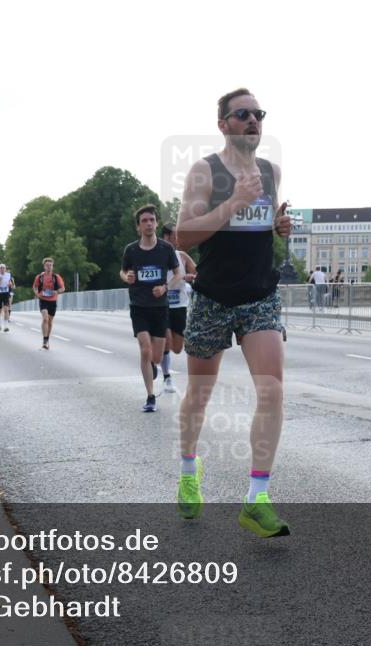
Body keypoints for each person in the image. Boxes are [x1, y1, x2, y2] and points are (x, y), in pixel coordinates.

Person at [175, 87, 292, 538]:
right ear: (223, 123)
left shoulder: (271, 171)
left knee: (273, 388)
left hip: (259, 295)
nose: (253, 121)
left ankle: (257, 498)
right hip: (213, 297)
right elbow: (183, 236)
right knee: (198, 396)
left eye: (258, 114)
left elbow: (263, 225)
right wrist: (233, 204)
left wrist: (278, 225)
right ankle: (189, 471)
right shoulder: (205, 171)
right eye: (242, 114)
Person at [120, 204, 181, 412]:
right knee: (145, 350)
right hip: (139, 306)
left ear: (156, 223)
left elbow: (178, 274)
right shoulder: (131, 250)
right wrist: (127, 277)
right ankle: (150, 396)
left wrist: (165, 287)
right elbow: (123, 272)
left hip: (160, 307)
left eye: (152, 220)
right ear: (138, 227)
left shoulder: (166, 248)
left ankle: (154, 366)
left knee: (155, 356)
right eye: (144, 221)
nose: (148, 224)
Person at [160, 225, 197, 392]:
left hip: (180, 305)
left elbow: (199, 272)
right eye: (176, 236)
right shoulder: (156, 256)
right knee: (165, 339)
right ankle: (167, 377)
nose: (178, 239)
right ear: (167, 237)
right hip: (161, 305)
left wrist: (191, 277)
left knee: (177, 347)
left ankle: (157, 357)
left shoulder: (182, 256)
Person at [33, 257, 66, 349]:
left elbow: (63, 288)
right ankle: (44, 340)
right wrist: (37, 294)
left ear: (52, 266)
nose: (49, 267)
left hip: (53, 301)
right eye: (47, 265)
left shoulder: (56, 277)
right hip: (43, 300)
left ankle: (47, 339)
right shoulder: (39, 277)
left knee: (50, 322)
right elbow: (35, 287)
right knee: (45, 319)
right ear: (44, 266)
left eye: (50, 265)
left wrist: (57, 291)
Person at [0, 263, 14, 331]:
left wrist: (10, 284)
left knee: (6, 309)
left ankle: (5, 326)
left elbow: (11, 283)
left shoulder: (8, 275)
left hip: (6, 293)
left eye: (3, 268)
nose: (2, 269)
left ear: (5, 269)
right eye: (1, 268)